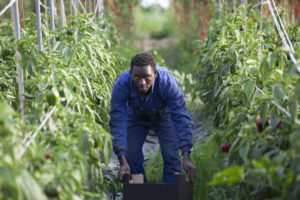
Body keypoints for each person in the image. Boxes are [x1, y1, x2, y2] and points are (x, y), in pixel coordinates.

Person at [109, 53, 196, 184]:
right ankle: (140, 191)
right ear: (130, 73)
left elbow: (180, 117)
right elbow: (117, 121)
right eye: (137, 77)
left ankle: (170, 193)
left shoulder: (167, 82)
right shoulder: (122, 84)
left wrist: (186, 156)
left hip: (164, 114)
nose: (142, 82)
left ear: (155, 74)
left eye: (147, 77)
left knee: (171, 153)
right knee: (131, 154)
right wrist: (122, 160)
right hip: (135, 114)